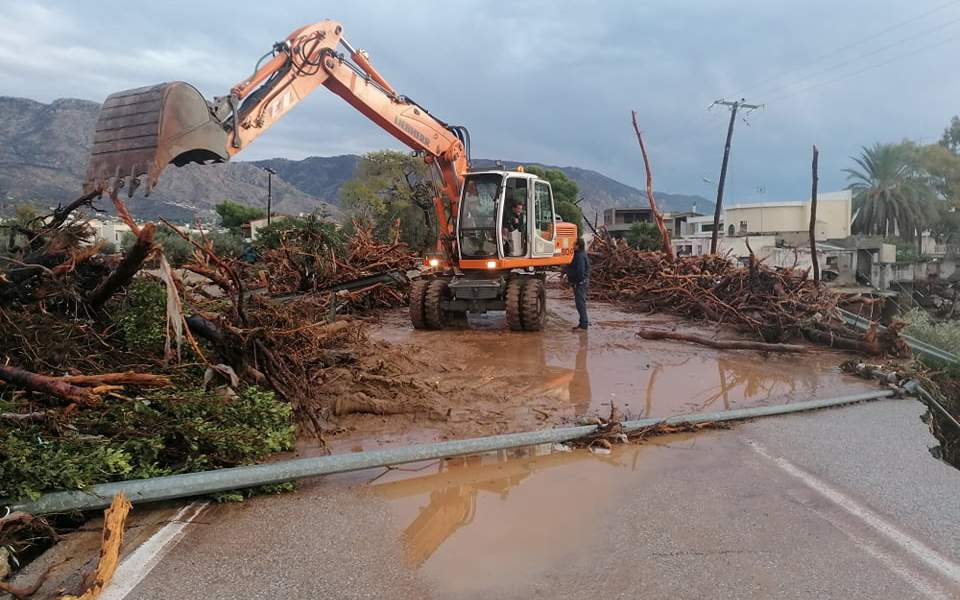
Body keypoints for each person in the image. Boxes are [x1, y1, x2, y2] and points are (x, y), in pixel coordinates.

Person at [565, 238, 590, 330]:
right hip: (581, 282)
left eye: (574, 245)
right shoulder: (581, 254)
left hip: (580, 283)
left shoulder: (579, 256)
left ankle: (583, 325)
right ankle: (582, 323)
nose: (573, 246)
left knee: (580, 304)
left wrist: (575, 281)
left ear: (578, 246)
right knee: (580, 303)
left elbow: (580, 271)